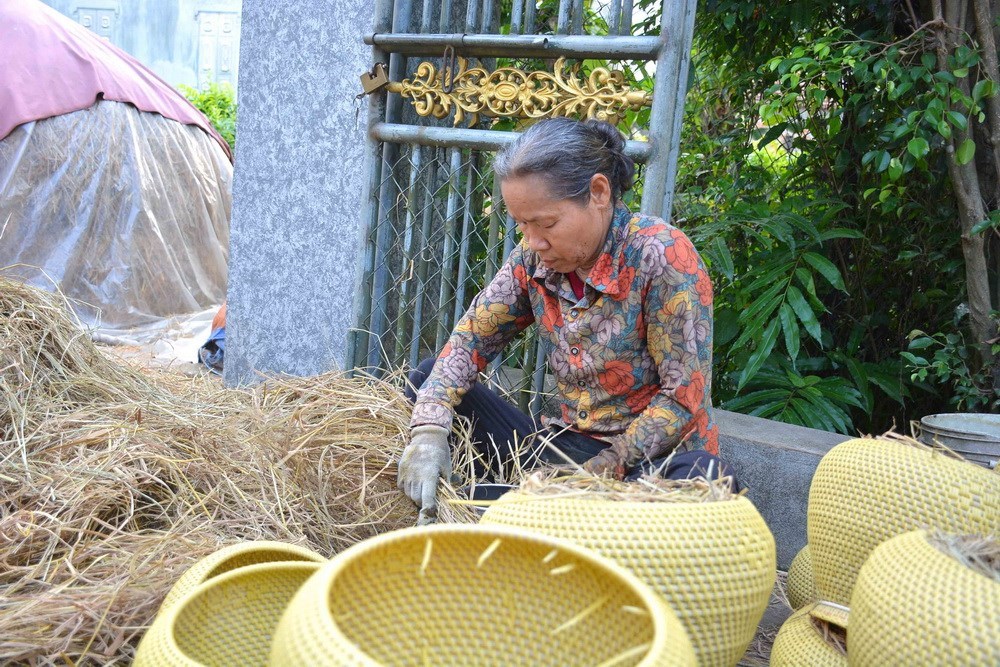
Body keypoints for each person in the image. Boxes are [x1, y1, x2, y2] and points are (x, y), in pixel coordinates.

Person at [398, 117, 731, 522]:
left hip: (647, 463)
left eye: (547, 223)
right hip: (563, 453)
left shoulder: (661, 254)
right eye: (522, 224)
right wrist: (428, 432)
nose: (534, 240)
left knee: (703, 477)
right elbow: (471, 341)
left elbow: (682, 398)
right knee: (429, 379)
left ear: (598, 192)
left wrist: (600, 474)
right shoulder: (532, 256)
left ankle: (530, 510)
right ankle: (534, 509)